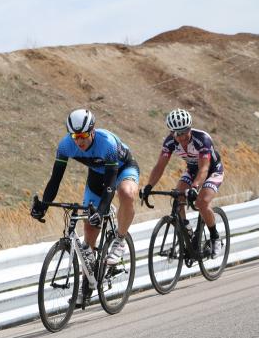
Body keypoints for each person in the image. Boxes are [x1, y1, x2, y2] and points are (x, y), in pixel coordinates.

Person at [31, 109, 139, 305]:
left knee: (125, 192)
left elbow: (110, 185)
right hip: (97, 176)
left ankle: (120, 240)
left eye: (82, 136)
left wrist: (102, 209)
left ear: (92, 131)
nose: (78, 141)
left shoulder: (106, 143)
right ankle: (87, 285)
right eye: (74, 136)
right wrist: (44, 206)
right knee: (88, 236)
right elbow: (55, 180)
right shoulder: (65, 146)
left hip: (122, 170)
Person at [140, 108, 224, 257]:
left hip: (212, 170)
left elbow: (204, 168)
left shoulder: (202, 139)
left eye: (185, 131)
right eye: (178, 133)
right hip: (192, 170)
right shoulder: (170, 142)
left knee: (202, 203)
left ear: (190, 128)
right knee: (177, 196)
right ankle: (187, 232)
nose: (182, 136)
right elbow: (160, 166)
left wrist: (195, 187)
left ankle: (215, 237)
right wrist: (148, 186)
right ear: (172, 133)